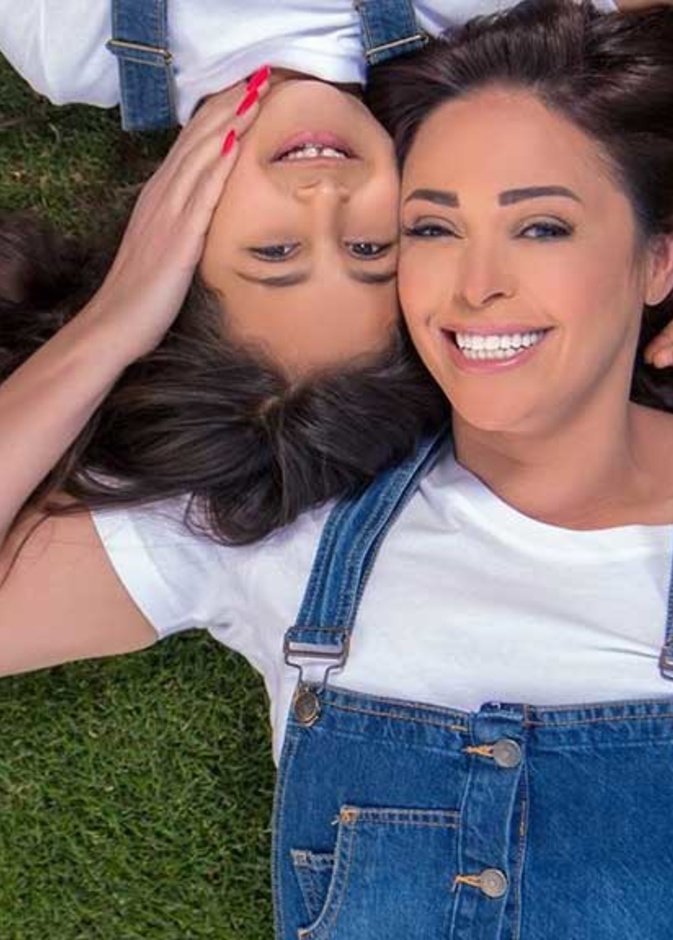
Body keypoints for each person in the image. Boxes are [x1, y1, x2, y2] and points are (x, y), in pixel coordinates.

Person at [3, 0, 673, 935]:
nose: (479, 285)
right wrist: (111, 326)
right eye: (424, 231)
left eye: (542, 229)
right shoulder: (290, 528)